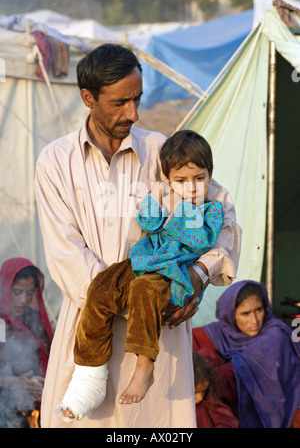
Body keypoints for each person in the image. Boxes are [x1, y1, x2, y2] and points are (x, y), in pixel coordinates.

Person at [34, 43, 242, 428]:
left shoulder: (160, 149)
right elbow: (67, 255)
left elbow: (224, 211)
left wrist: (198, 275)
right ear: (88, 98)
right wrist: (137, 304)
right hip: (91, 327)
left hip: (162, 336)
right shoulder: (55, 161)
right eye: (119, 103)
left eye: (137, 99)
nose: (133, 112)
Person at [56, 130, 224, 422]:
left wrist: (179, 209)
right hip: (142, 260)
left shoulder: (211, 209)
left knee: (144, 292)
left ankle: (145, 365)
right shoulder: (164, 195)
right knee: (100, 287)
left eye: (200, 178)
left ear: (210, 175)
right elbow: (147, 220)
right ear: (169, 179)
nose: (192, 187)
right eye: (182, 181)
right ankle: (90, 372)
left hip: (170, 271)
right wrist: (156, 202)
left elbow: (201, 241)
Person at [193, 280, 300, 428]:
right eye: (245, 314)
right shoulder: (219, 333)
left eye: (258, 310)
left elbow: (226, 377)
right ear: (230, 315)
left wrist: (204, 373)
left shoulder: (275, 335)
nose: (254, 320)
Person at [0, 258, 53, 428]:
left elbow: (48, 358)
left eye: (29, 293)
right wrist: (16, 382)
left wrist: (42, 380)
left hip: (32, 406)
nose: (24, 300)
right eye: (16, 292)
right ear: (5, 287)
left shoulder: (34, 319)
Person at [193, 350, 239, 428]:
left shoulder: (209, 398)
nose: (200, 398)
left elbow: (228, 422)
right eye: (195, 393)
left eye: (203, 391)